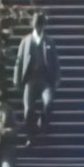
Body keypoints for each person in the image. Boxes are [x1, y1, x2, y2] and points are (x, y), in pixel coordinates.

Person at [14, 12, 60, 146]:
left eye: (40, 24)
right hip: (30, 79)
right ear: (32, 25)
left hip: (45, 79)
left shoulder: (49, 41)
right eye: (36, 25)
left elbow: (56, 62)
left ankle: (43, 122)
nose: (38, 27)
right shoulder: (26, 41)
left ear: (44, 25)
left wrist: (56, 78)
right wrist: (17, 79)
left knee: (49, 102)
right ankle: (30, 135)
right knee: (28, 109)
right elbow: (19, 60)